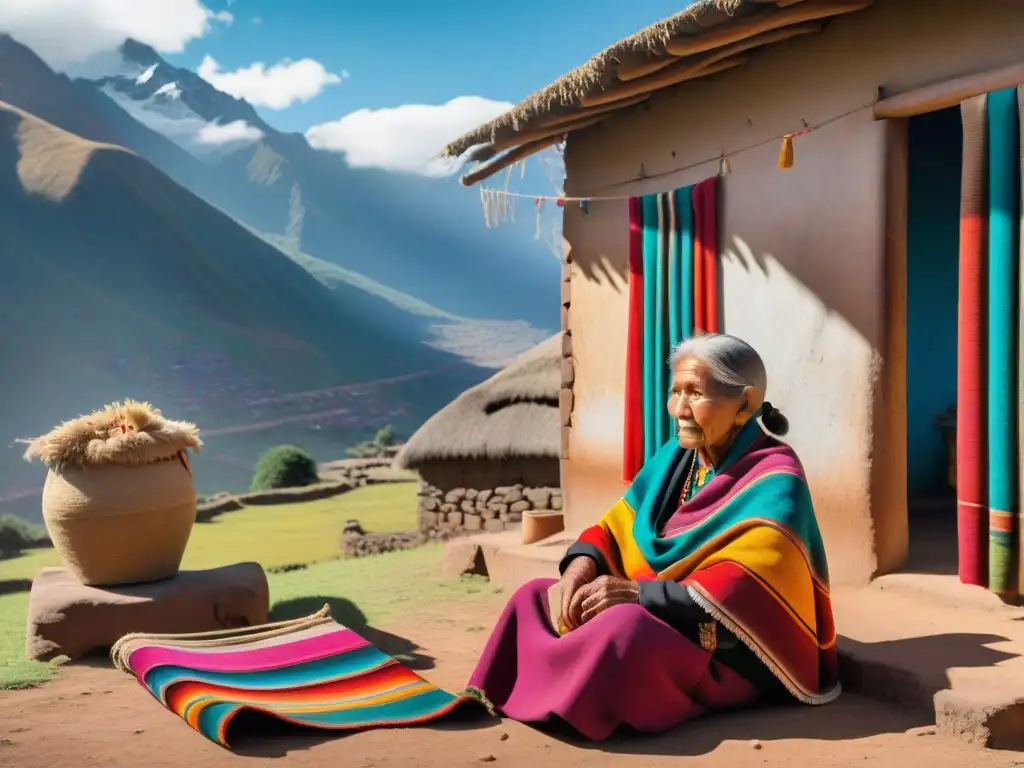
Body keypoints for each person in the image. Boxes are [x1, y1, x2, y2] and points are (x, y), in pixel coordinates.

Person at [466, 332, 840, 740]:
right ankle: (527, 693)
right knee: (535, 597)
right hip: (656, 612)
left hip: (725, 647)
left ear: (744, 404)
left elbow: (744, 583)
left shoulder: (776, 474)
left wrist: (637, 595)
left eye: (695, 393)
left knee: (624, 629)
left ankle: (569, 702)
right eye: (675, 391)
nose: (678, 408)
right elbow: (615, 527)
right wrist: (579, 568)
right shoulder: (675, 457)